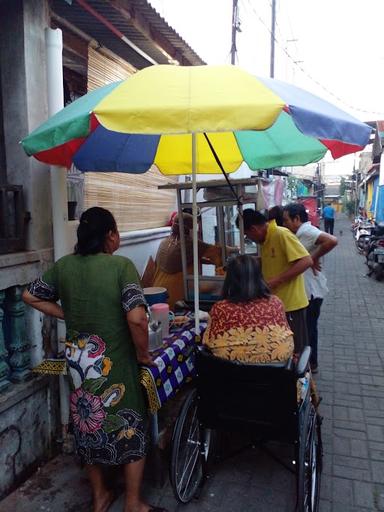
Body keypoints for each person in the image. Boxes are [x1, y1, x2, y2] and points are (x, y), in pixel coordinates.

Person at [23, 207, 166, 512]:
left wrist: (67, 314)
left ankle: (100, 497)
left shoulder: (64, 267)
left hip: (78, 366)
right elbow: (138, 319)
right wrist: (143, 353)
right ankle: (132, 504)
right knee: (129, 425)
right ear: (109, 235)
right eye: (115, 233)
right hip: (113, 363)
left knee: (87, 425)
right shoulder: (121, 267)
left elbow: (30, 296)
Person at [237, 209, 312, 354]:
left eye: (248, 234)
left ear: (254, 228)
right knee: (281, 349)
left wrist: (277, 280)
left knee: (296, 350)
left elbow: (306, 261)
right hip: (275, 306)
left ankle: (301, 375)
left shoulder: (281, 234)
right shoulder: (266, 240)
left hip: (291, 306)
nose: (249, 238)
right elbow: (276, 260)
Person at [203, 254, 294, 364]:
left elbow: (207, 342)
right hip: (277, 374)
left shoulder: (220, 308)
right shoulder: (276, 303)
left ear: (230, 279)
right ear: (259, 276)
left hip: (231, 376)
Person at [283, 203, 337, 372]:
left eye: (286, 221)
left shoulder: (305, 231)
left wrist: (312, 258)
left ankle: (311, 364)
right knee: (309, 328)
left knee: (309, 329)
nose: (284, 224)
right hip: (310, 289)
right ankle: (311, 363)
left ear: (297, 219)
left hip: (312, 291)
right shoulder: (299, 233)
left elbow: (332, 240)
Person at [153, 212, 225, 309]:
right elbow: (216, 252)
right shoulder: (189, 244)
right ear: (190, 228)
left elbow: (188, 258)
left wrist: (209, 262)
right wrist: (220, 270)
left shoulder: (165, 242)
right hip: (177, 296)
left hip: (159, 293)